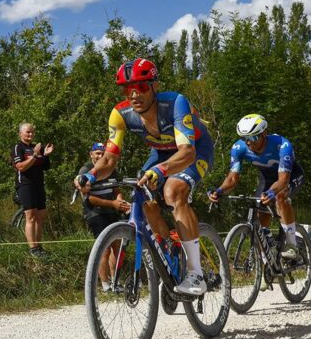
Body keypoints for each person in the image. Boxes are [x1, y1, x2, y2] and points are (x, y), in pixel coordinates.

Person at [74, 57, 214, 296]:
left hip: (194, 150)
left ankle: (196, 273)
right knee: (141, 195)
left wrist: (160, 170)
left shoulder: (175, 103)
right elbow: (108, 160)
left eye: (140, 87)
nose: (134, 94)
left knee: (173, 191)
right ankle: (167, 248)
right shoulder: (120, 113)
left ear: (154, 86)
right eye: (127, 89)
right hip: (161, 152)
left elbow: (187, 152)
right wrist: (91, 175)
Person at [207, 114, 304, 260]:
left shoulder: (282, 145)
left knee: (280, 196)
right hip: (267, 179)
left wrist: (272, 192)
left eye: (252, 137)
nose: (248, 142)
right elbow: (232, 178)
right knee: (260, 216)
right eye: (244, 138)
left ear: (264, 133)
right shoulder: (239, 148)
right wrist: (219, 190)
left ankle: (292, 244)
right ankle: (267, 261)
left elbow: (283, 180)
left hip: (290, 176)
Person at [77, 142, 130, 289]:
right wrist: (113, 203)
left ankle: (115, 280)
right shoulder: (86, 170)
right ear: (91, 154)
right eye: (97, 153)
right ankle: (105, 283)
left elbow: (117, 190)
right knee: (104, 248)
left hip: (112, 211)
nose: (100, 156)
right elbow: (88, 198)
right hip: (95, 213)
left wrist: (120, 202)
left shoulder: (111, 169)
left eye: (103, 153)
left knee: (117, 245)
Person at [12, 123, 53, 256]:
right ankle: (33, 249)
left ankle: (39, 247)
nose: (30, 134)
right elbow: (21, 167)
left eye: (32, 132)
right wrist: (34, 155)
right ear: (20, 134)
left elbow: (45, 167)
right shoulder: (18, 147)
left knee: (40, 216)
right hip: (25, 184)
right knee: (30, 216)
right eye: (28, 132)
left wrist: (46, 155)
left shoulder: (37, 147)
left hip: (39, 184)